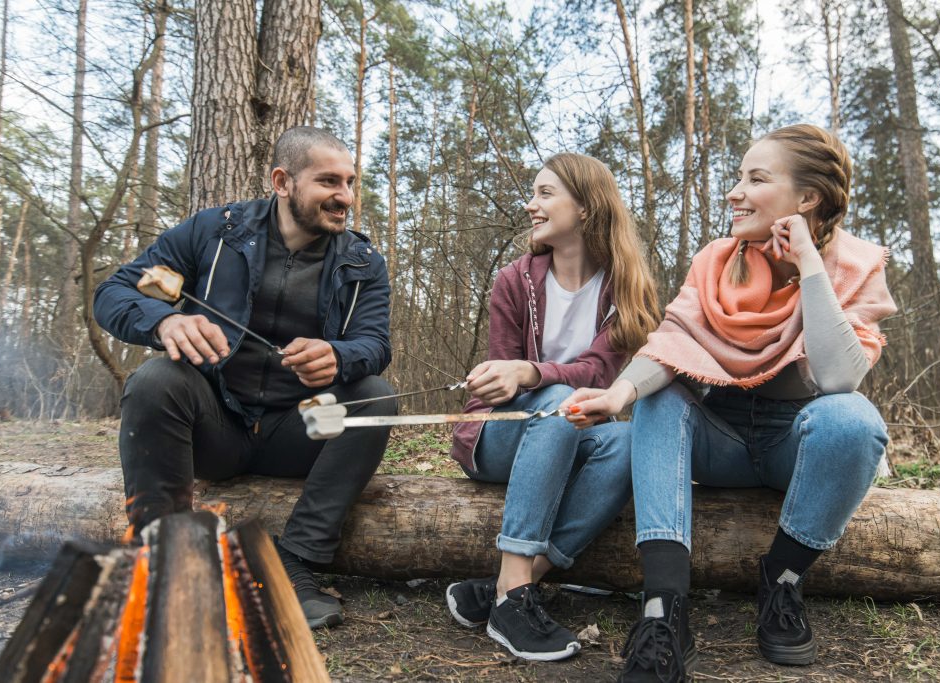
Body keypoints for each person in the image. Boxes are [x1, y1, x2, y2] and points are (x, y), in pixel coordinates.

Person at [562, 124, 897, 681]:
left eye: (756, 179)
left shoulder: (856, 266)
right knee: (661, 398)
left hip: (798, 443)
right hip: (721, 441)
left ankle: (783, 582)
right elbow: (673, 340)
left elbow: (839, 377)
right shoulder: (717, 260)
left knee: (854, 422)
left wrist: (811, 266)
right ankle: (663, 612)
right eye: (738, 177)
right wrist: (619, 392)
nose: (734, 192)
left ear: (807, 199)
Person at [94, 126, 395, 629]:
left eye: (350, 182)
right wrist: (165, 321)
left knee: (373, 397)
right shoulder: (213, 231)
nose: (345, 196)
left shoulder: (363, 262)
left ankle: (295, 562)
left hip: (297, 433)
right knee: (154, 380)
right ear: (282, 181)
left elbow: (375, 345)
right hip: (214, 426)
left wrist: (339, 357)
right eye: (328, 182)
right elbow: (115, 293)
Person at [445, 153, 663, 661]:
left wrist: (535, 370)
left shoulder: (625, 289)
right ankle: (514, 595)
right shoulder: (513, 281)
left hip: (577, 432)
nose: (531, 205)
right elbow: (509, 386)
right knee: (558, 402)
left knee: (631, 439)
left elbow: (601, 376)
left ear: (586, 207)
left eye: (545, 194)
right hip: (499, 437)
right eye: (533, 193)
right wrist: (511, 377)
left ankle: (508, 588)